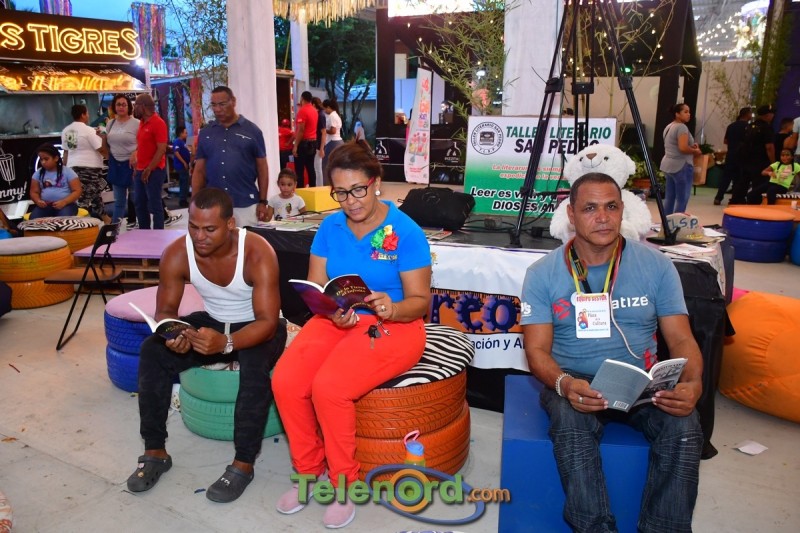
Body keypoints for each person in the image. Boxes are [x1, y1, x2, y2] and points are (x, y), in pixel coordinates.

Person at [520, 172, 704, 533]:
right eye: (590, 208)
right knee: (570, 423)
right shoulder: (542, 273)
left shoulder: (656, 265)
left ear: (623, 210)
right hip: (576, 380)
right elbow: (536, 350)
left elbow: (681, 339)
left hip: (642, 380)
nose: (602, 217)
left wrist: (694, 383)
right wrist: (564, 384)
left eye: (611, 207)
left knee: (684, 425)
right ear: (571, 214)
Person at [272, 142, 431, 529]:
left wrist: (392, 307)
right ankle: (309, 471)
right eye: (340, 193)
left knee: (330, 387)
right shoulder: (331, 226)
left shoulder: (405, 231)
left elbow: (419, 302)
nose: (350, 201)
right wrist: (329, 309)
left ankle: (344, 482)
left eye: (358, 189)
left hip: (394, 324)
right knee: (285, 380)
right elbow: (315, 283)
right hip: (337, 319)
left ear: (375, 183)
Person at [127, 188, 287, 503]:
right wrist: (173, 334)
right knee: (151, 351)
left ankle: (243, 463)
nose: (199, 236)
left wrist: (226, 343)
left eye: (210, 229)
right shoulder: (177, 253)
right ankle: (155, 451)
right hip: (214, 320)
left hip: (257, 326)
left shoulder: (257, 251)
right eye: (193, 226)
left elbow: (267, 322)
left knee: (254, 366)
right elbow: (165, 311)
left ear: (230, 224)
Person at [192, 86, 269, 227]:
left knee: (245, 240)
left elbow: (262, 168)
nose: (217, 109)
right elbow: (199, 171)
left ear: (233, 101)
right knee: (216, 241)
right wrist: (194, 203)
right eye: (214, 105)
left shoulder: (253, 131)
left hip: (245, 203)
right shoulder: (206, 133)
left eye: (222, 104)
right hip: (213, 205)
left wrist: (263, 201)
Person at [61, 104, 107, 220]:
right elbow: (100, 148)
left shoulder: (67, 130)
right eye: (87, 113)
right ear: (83, 115)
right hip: (90, 169)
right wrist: (112, 158)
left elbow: (67, 152)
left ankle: (106, 219)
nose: (88, 115)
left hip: (72, 169)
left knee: (94, 195)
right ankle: (81, 223)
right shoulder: (88, 131)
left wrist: (64, 169)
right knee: (84, 199)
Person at [131, 94, 168, 229]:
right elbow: (142, 146)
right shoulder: (141, 123)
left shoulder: (158, 123)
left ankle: (158, 234)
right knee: (139, 203)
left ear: (143, 106)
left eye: (135, 105)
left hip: (155, 170)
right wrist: (137, 165)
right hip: (141, 170)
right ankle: (144, 233)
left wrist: (149, 169)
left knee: (154, 204)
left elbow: (161, 149)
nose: (134, 108)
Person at [101, 94, 139, 225]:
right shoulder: (110, 124)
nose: (121, 107)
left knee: (136, 199)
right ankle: (114, 230)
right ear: (114, 107)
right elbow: (106, 145)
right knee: (119, 202)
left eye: (124, 104)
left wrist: (137, 152)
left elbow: (144, 143)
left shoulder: (136, 123)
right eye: (118, 104)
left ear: (129, 107)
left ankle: (142, 227)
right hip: (116, 166)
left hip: (133, 166)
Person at [659, 103, 701, 215]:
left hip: (668, 165)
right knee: (682, 198)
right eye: (685, 112)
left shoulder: (669, 127)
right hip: (681, 165)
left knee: (670, 197)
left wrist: (691, 147)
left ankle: (666, 221)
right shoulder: (682, 127)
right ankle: (677, 222)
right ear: (677, 114)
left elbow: (674, 145)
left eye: (689, 112)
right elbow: (683, 148)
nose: (689, 114)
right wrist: (695, 151)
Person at [731, 104, 775, 205]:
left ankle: (736, 201)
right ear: (768, 115)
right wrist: (773, 163)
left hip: (746, 159)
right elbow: (769, 147)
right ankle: (754, 203)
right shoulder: (766, 127)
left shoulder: (750, 126)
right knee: (759, 183)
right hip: (760, 160)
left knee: (743, 182)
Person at [29, 144, 81, 219]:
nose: (43, 162)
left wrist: (64, 202)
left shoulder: (68, 172)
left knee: (63, 220)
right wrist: (38, 201)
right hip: (45, 206)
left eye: (46, 159)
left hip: (67, 205)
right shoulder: (38, 173)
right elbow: (34, 192)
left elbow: (77, 191)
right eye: (41, 159)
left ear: (56, 158)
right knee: (33, 219)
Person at [714, 107, 751, 206]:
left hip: (730, 154)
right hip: (742, 155)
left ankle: (718, 197)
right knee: (738, 178)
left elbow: (725, 141)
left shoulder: (731, 126)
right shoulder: (748, 127)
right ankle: (735, 198)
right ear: (747, 114)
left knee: (726, 177)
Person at [292, 92, 318, 189]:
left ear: (302, 98)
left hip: (304, 143)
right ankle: (313, 188)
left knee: (299, 169)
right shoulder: (314, 110)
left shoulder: (302, 111)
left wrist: (295, 145)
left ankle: (300, 190)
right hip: (313, 142)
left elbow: (301, 130)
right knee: (311, 168)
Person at [322, 99, 344, 180]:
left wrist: (324, 130)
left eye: (324, 109)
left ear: (328, 107)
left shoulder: (332, 116)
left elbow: (333, 131)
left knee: (326, 164)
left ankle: (327, 183)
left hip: (332, 142)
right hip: (338, 141)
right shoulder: (336, 115)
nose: (324, 111)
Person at [171, 126, 191, 208]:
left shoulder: (183, 142)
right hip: (180, 165)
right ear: (181, 133)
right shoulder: (177, 141)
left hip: (184, 165)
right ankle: (182, 200)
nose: (187, 134)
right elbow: (176, 152)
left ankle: (184, 199)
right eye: (185, 133)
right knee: (184, 182)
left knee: (185, 182)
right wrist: (183, 162)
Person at [312, 96, 327, 186]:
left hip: (319, 145)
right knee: (316, 167)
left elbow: (323, 132)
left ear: (314, 105)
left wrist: (321, 148)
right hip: (317, 144)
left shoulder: (320, 115)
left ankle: (319, 186)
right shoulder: (320, 114)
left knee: (317, 168)